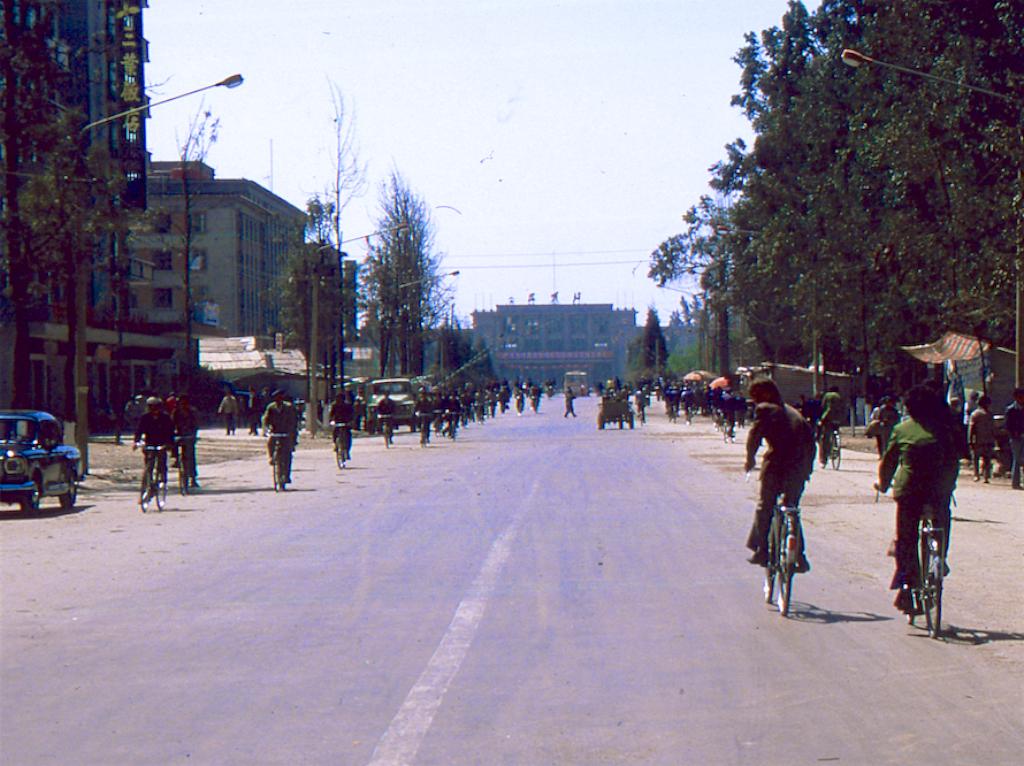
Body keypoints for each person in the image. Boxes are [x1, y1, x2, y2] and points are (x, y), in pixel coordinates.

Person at [876, 385, 959, 616]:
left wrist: (883, 484)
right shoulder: (943, 430)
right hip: (937, 491)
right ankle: (940, 558)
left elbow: (889, 462)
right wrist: (948, 486)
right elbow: (953, 462)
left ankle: (906, 585)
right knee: (942, 522)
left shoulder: (902, 429)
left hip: (909, 492)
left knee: (906, 539)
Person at [743, 379, 816, 572]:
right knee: (791, 509)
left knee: (765, 506)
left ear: (767, 393)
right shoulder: (795, 413)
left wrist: (750, 459)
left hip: (777, 464)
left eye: (756, 395)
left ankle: (762, 550)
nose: (755, 400)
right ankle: (800, 557)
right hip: (799, 467)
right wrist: (806, 470)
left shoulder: (765, 409)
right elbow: (811, 444)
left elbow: (754, 437)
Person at [133, 396, 176, 494]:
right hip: (149, 443)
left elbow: (170, 432)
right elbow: (139, 430)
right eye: (151, 406)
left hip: (162, 443)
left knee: (162, 462)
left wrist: (169, 443)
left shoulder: (165, 418)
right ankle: (148, 484)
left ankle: (163, 480)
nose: (154, 409)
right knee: (149, 465)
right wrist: (136, 442)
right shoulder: (145, 417)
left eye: (156, 406)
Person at [263, 390, 298, 485]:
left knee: (287, 455)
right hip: (275, 432)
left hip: (286, 433)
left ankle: (286, 475)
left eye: (279, 398)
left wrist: (292, 433)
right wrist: (266, 429)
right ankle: (271, 457)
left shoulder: (289, 407)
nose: (278, 400)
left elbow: (294, 421)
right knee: (270, 442)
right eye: (276, 398)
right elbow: (266, 419)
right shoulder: (271, 407)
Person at [172, 394, 201, 488]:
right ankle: (176, 458)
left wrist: (194, 436)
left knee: (191, 457)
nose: (183, 405)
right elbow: (171, 424)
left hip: (189, 436)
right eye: (181, 403)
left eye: (185, 403)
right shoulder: (176, 412)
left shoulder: (192, 412)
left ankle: (193, 478)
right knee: (172, 445)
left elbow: (195, 425)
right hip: (179, 435)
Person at [967, 395, 997, 483]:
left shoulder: (987, 414)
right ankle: (980, 475)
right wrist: (970, 439)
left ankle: (982, 475)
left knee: (983, 458)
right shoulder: (977, 414)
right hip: (979, 439)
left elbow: (992, 428)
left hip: (984, 439)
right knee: (980, 458)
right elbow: (972, 428)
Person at [818, 386, 844, 467]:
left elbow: (824, 407)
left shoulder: (827, 396)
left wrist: (822, 419)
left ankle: (823, 460)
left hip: (828, 419)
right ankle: (835, 448)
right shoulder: (839, 396)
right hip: (838, 419)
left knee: (824, 438)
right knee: (835, 432)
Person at [328, 391, 355, 462]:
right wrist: (331, 421)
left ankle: (347, 451)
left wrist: (350, 422)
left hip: (346, 423)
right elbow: (331, 415)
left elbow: (351, 415)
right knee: (335, 433)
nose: (339, 400)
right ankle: (335, 444)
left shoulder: (348, 406)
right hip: (337, 423)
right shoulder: (334, 405)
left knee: (348, 436)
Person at [1006, 387, 1024, 490]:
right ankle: (1015, 482)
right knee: (1017, 459)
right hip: (1016, 438)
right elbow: (1008, 425)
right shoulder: (1011, 410)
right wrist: (1015, 434)